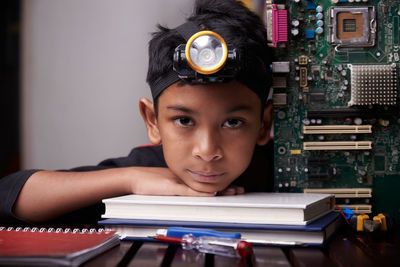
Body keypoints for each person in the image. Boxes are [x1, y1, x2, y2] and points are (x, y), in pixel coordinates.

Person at [0, 0, 273, 226]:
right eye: (184, 120)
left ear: (263, 125)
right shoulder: (147, 169)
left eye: (233, 122)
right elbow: (8, 195)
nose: (207, 150)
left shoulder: (293, 167)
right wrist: (130, 179)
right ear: (152, 121)